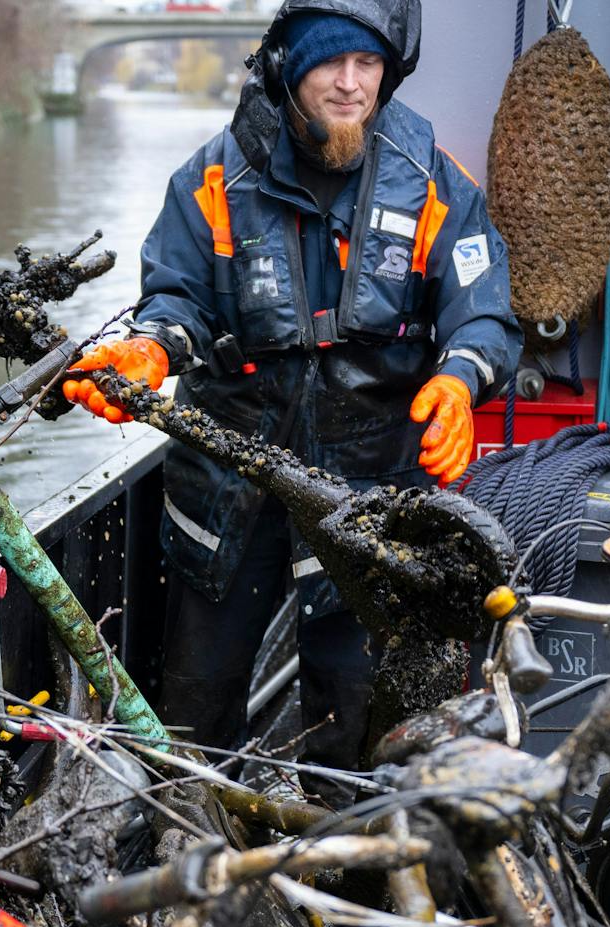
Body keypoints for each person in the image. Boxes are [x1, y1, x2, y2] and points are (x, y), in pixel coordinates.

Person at [63, 0, 521, 780]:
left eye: (367, 64)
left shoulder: (435, 183)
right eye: (329, 63)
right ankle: (193, 830)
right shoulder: (210, 180)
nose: (350, 84)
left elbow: (482, 313)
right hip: (227, 494)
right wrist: (149, 348)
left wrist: (459, 378)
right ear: (286, 69)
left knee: (359, 726)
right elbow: (177, 299)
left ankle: (342, 844)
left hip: (368, 496)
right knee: (195, 712)